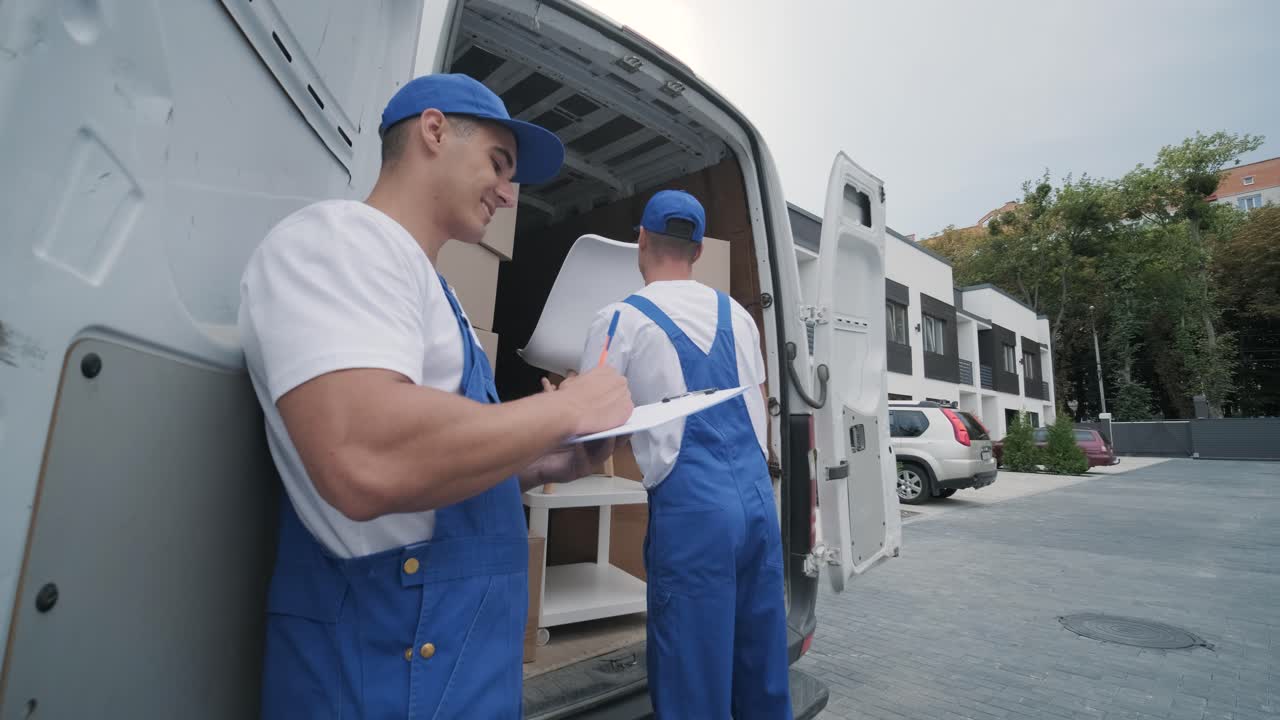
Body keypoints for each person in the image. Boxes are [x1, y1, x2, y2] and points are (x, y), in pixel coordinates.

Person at [238, 73, 633, 718]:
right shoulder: (340, 240)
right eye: (499, 164)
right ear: (434, 130)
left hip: (456, 660)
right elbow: (365, 451)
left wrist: (543, 461)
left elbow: (433, 463)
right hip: (384, 668)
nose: (509, 194)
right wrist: (568, 406)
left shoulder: (434, 291)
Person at [578, 190, 792, 718]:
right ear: (697, 251)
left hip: (694, 516)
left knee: (694, 679)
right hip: (758, 506)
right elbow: (759, 399)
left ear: (641, 240)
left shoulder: (621, 319)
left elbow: (590, 430)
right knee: (761, 668)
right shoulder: (739, 316)